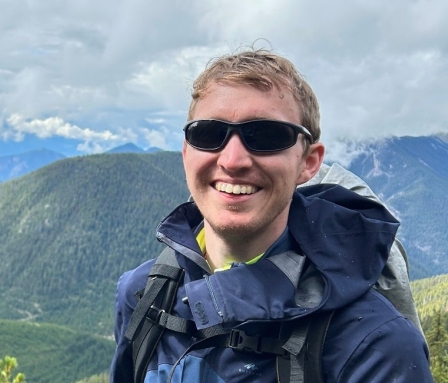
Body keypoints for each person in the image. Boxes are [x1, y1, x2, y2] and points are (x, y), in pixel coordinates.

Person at [110, 48, 432, 382]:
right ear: (186, 151)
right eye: (208, 133)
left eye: (266, 136)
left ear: (308, 162)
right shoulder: (141, 295)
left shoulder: (376, 348)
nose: (233, 160)